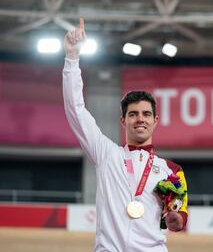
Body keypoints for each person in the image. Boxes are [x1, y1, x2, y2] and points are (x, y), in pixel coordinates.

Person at [63, 18, 188, 252]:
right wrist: (72, 58)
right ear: (123, 121)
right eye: (133, 114)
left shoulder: (172, 171)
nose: (140, 118)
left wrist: (176, 220)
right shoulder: (106, 154)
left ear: (155, 120)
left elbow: (180, 216)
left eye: (146, 114)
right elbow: (76, 110)